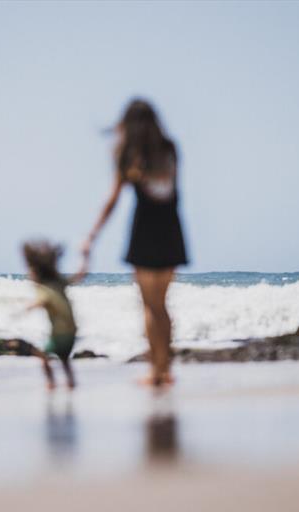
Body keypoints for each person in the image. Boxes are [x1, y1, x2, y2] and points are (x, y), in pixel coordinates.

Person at [81, 99, 188, 387]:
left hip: (145, 231)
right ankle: (165, 369)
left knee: (150, 305)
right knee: (162, 305)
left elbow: (113, 199)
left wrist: (91, 236)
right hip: (171, 230)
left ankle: (156, 372)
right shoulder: (170, 149)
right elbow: (170, 191)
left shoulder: (129, 155)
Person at [21, 240, 80, 390]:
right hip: (72, 331)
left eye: (30, 271)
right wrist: (86, 260)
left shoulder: (44, 288)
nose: (29, 275)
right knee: (64, 358)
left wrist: (27, 308)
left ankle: (51, 383)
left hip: (59, 333)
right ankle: (71, 382)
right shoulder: (59, 282)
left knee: (42, 355)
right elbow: (78, 276)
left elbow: (43, 299)